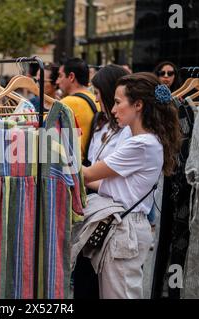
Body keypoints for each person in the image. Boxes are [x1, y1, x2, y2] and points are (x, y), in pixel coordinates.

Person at [82, 72, 181, 298]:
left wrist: (53, 157)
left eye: (118, 102)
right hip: (127, 226)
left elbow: (87, 174)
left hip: (126, 229)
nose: (113, 109)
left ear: (138, 105)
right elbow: (104, 184)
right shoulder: (147, 141)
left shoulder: (141, 144)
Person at [73, 64, 131, 299]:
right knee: (84, 279)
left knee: (98, 284)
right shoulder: (101, 122)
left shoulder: (129, 132)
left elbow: (110, 174)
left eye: (97, 94)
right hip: (93, 208)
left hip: (111, 213)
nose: (95, 100)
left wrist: (82, 175)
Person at [56, 58, 101, 162]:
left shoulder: (67, 103)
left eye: (60, 76)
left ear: (71, 77)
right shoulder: (96, 99)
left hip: (71, 169)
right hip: (89, 163)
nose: (57, 81)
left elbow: (43, 132)